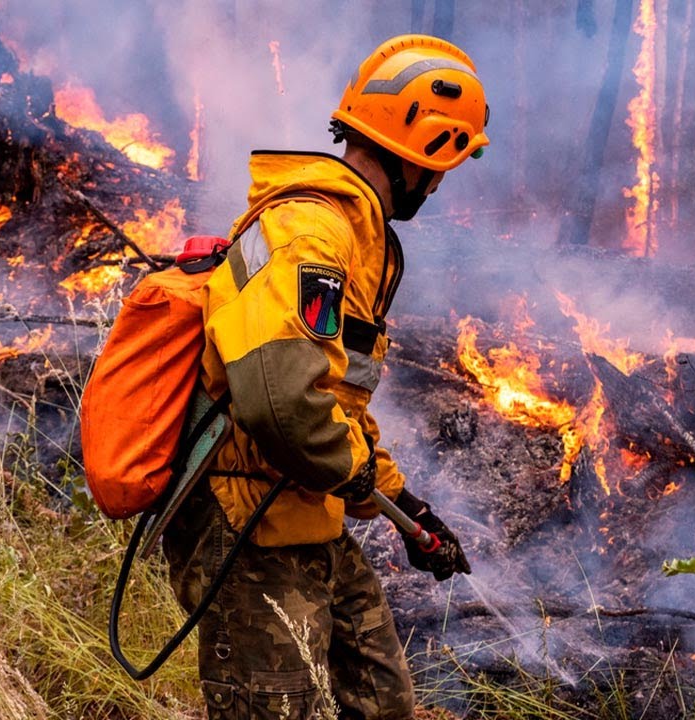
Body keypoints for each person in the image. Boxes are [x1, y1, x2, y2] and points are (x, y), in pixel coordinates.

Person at [163, 34, 489, 719]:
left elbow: (334, 396)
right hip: (245, 517)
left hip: (304, 508)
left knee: (381, 698)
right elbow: (283, 402)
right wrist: (357, 475)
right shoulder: (312, 233)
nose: (437, 186)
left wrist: (405, 508)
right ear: (421, 153)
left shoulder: (356, 236)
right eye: (442, 167)